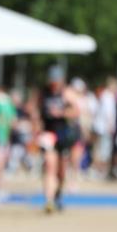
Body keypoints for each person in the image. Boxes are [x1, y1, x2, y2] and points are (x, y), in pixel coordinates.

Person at [38, 65, 79, 213]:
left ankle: (57, 196)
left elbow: (77, 111)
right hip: (48, 134)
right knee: (49, 165)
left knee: (61, 170)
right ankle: (48, 200)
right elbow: (34, 110)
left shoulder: (67, 93)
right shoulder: (43, 93)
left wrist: (61, 113)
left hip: (63, 134)